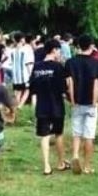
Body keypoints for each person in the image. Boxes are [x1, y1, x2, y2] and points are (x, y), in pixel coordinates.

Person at [29, 39, 69, 175]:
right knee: (58, 134)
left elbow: (32, 87)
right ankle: (61, 162)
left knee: (44, 136)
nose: (60, 53)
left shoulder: (37, 66)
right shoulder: (58, 67)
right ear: (54, 50)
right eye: (59, 50)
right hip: (56, 105)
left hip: (42, 105)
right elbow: (63, 89)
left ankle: (46, 166)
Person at [65, 35, 98, 175]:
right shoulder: (96, 63)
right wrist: (94, 101)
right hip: (90, 103)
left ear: (78, 45)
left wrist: (73, 100)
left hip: (77, 102)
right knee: (89, 135)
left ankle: (74, 155)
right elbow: (96, 85)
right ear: (91, 46)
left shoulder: (70, 62)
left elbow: (70, 83)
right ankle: (86, 165)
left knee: (76, 133)